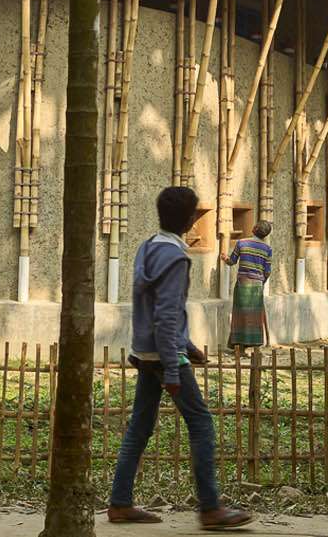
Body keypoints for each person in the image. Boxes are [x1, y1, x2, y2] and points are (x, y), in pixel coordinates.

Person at [106, 187, 251, 530]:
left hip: (146, 351)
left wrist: (187, 345)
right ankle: (210, 508)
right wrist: (174, 365)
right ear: (189, 220)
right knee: (201, 424)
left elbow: (154, 308)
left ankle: (120, 502)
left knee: (139, 428)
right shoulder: (176, 258)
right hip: (163, 355)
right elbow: (167, 315)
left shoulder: (147, 247)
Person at [224, 221, 273, 351]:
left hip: (242, 284)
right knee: (255, 317)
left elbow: (231, 261)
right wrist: (262, 282)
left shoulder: (241, 243)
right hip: (257, 285)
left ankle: (239, 346)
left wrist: (224, 258)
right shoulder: (267, 249)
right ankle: (255, 346)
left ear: (255, 228)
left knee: (240, 315)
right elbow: (267, 271)